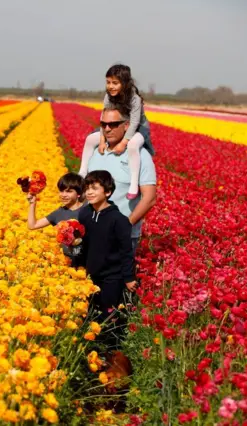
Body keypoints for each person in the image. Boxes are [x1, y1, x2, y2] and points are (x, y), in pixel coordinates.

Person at [82, 105, 157, 255]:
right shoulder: (97, 151)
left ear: (126, 126)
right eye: (103, 124)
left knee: (117, 278)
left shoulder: (140, 155)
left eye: (113, 124)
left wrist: (125, 225)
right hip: (91, 232)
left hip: (121, 237)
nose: (107, 129)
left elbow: (149, 198)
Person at [78, 64, 154, 200]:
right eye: (108, 82)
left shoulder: (134, 99)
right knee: (90, 139)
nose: (110, 86)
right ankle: (82, 172)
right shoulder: (108, 97)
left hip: (138, 127)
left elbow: (135, 122)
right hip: (115, 124)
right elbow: (104, 117)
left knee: (133, 146)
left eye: (115, 83)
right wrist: (102, 140)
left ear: (124, 83)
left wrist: (123, 143)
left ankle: (134, 183)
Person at [79, 171, 136, 317]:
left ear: (108, 192)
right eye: (87, 188)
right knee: (88, 313)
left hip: (112, 276)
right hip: (90, 274)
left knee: (109, 314)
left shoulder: (119, 220)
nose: (89, 192)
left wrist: (129, 278)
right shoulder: (85, 213)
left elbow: (126, 251)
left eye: (95, 188)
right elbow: (83, 245)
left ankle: (111, 340)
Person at [27, 172, 86, 263]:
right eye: (61, 191)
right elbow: (32, 225)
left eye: (69, 191)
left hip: (88, 263)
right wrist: (32, 203)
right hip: (67, 263)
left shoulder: (89, 210)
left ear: (79, 193)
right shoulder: (59, 213)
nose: (63, 195)